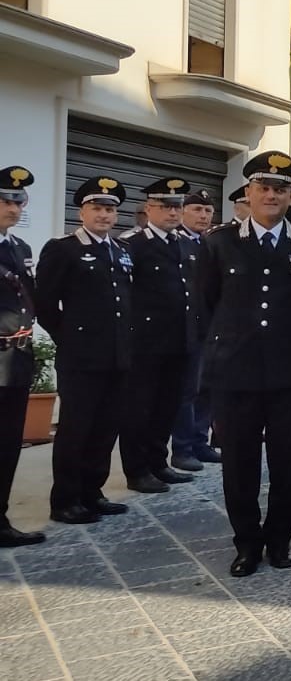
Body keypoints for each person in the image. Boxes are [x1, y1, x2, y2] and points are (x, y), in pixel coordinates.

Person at [199, 152, 291, 577]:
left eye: (281, 189)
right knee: (239, 463)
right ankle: (246, 543)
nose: (271, 195)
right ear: (249, 193)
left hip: (290, 374)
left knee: (287, 461)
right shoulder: (219, 243)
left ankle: (280, 540)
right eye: (264, 187)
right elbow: (204, 310)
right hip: (235, 375)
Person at [35, 176, 135, 526]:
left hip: (118, 356)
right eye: (97, 208)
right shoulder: (63, 249)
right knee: (76, 428)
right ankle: (65, 499)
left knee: (106, 428)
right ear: (82, 211)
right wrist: (69, 338)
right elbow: (44, 303)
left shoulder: (120, 250)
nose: (104, 215)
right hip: (81, 358)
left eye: (110, 209)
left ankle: (93, 491)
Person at [120, 178, 203, 495]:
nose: (172, 212)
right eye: (165, 206)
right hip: (145, 342)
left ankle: (158, 461)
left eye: (177, 207)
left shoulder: (184, 244)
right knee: (140, 408)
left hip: (179, 339)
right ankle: (137, 469)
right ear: (148, 208)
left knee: (168, 405)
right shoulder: (133, 245)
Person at [0, 166, 44, 547]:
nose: (13, 207)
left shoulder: (19, 248)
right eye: (5, 200)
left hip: (16, 358)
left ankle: (0, 518)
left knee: (8, 441)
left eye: (19, 200)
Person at [171, 189, 220, 471]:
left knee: (208, 388)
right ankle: (183, 448)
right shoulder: (175, 242)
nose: (203, 216)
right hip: (186, 330)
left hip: (213, 328)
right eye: (197, 210)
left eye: (208, 211)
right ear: (183, 212)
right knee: (187, 391)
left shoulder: (212, 243)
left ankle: (201, 442)